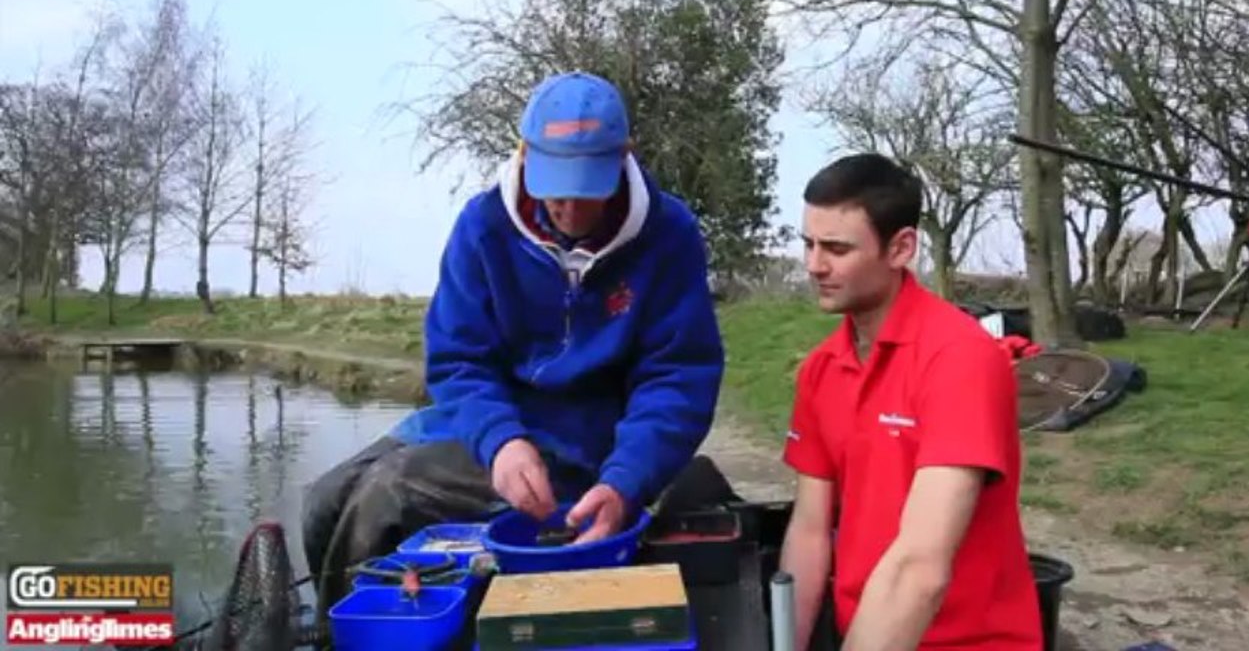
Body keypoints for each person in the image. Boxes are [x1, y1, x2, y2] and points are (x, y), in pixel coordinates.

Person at [300, 70, 727, 619]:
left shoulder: (669, 235)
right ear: (524, 152)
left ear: (624, 157)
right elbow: (458, 360)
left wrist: (626, 481)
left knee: (387, 495)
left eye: (586, 190)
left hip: (593, 445)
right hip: (488, 429)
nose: (568, 210)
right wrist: (501, 441)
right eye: (555, 187)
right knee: (325, 498)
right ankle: (362, 623)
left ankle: (364, 633)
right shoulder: (483, 226)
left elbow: (677, 380)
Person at [778, 154, 1041, 650]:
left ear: (900, 248)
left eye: (836, 248)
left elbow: (921, 567)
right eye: (808, 244)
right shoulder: (821, 368)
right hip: (867, 632)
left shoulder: (959, 359)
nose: (815, 265)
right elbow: (810, 533)